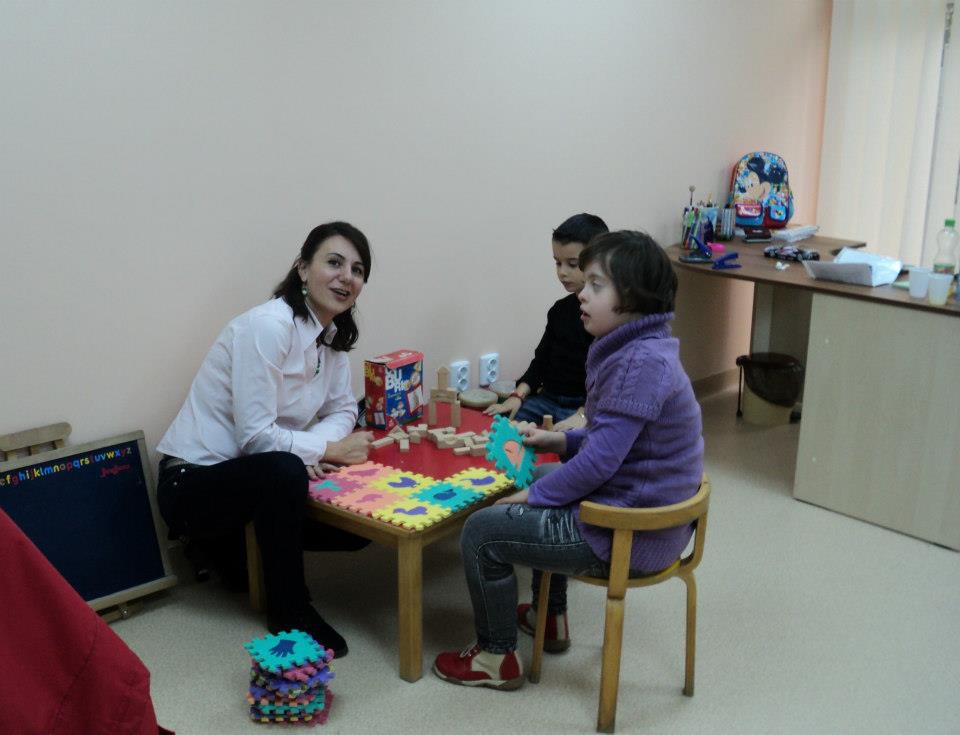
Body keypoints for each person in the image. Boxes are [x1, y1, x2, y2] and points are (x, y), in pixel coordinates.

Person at [433, 230, 704, 690]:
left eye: (596, 285)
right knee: (542, 472)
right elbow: (614, 446)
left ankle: (496, 658)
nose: (581, 292)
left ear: (633, 298)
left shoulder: (637, 364)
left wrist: (530, 496)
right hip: (641, 515)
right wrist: (557, 443)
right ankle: (547, 617)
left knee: (481, 530)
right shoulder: (641, 349)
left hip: (627, 533)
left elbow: (600, 465)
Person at [156, 221, 375, 658]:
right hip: (192, 484)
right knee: (283, 469)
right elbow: (256, 438)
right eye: (333, 262)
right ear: (302, 268)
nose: (346, 276)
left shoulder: (330, 336)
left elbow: (344, 410)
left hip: (255, 478)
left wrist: (314, 444)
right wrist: (326, 449)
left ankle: (232, 549)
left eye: (357, 269)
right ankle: (289, 608)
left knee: (360, 530)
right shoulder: (269, 326)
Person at [484, 213, 609, 429]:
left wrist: (582, 415)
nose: (562, 272)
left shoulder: (605, 318)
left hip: (583, 406)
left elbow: (606, 381)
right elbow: (540, 362)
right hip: (547, 400)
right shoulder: (560, 311)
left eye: (572, 264)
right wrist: (518, 395)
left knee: (572, 444)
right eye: (557, 263)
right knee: (505, 427)